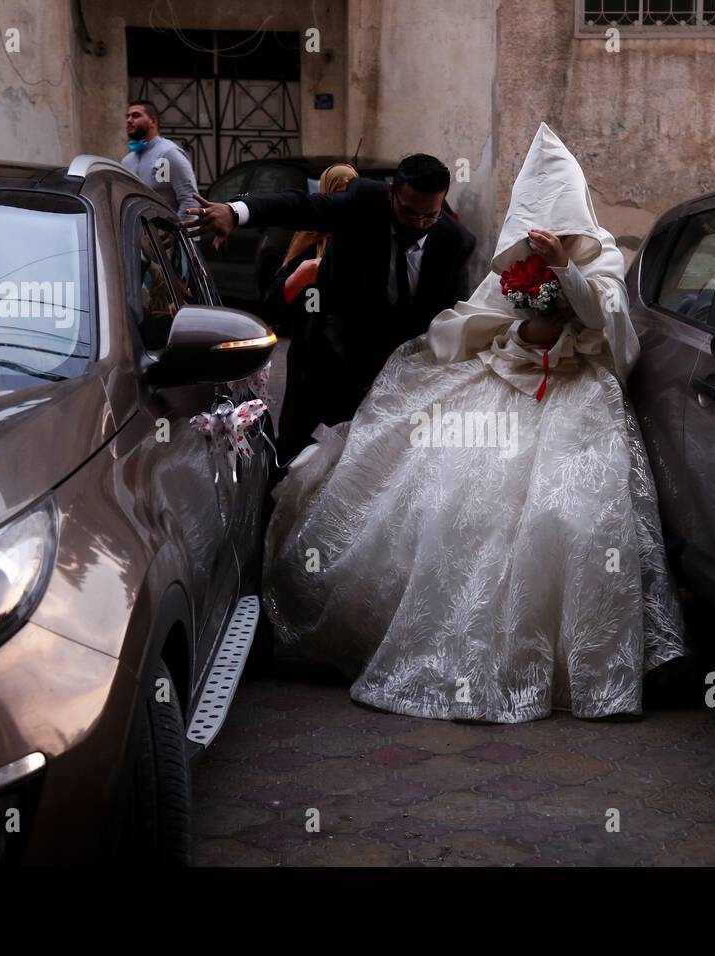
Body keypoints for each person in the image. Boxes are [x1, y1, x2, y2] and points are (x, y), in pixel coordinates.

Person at [260, 123, 688, 723]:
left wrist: (564, 272)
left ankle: (570, 657)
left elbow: (604, 322)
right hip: (505, 383)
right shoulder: (505, 262)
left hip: (576, 396)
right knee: (446, 500)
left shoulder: (602, 258)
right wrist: (521, 330)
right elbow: (472, 319)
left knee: (574, 516)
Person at [184, 154, 477, 461]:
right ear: (392, 195)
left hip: (395, 381)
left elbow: (448, 324)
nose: (418, 224)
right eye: (408, 212)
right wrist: (236, 211)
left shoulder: (454, 244)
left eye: (429, 216)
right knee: (299, 460)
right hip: (328, 361)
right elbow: (300, 206)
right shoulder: (364, 203)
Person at [260, 163, 358, 459]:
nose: (341, 203)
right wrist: (302, 276)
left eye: (348, 194)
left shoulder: (365, 240)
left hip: (351, 359)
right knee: (298, 440)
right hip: (309, 355)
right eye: (336, 194)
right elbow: (273, 303)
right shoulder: (307, 238)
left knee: (342, 445)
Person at [121, 100, 198, 220]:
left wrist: (177, 233)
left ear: (153, 121)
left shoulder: (168, 153)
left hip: (170, 236)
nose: (129, 120)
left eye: (136, 115)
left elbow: (190, 199)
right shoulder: (127, 161)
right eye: (128, 116)